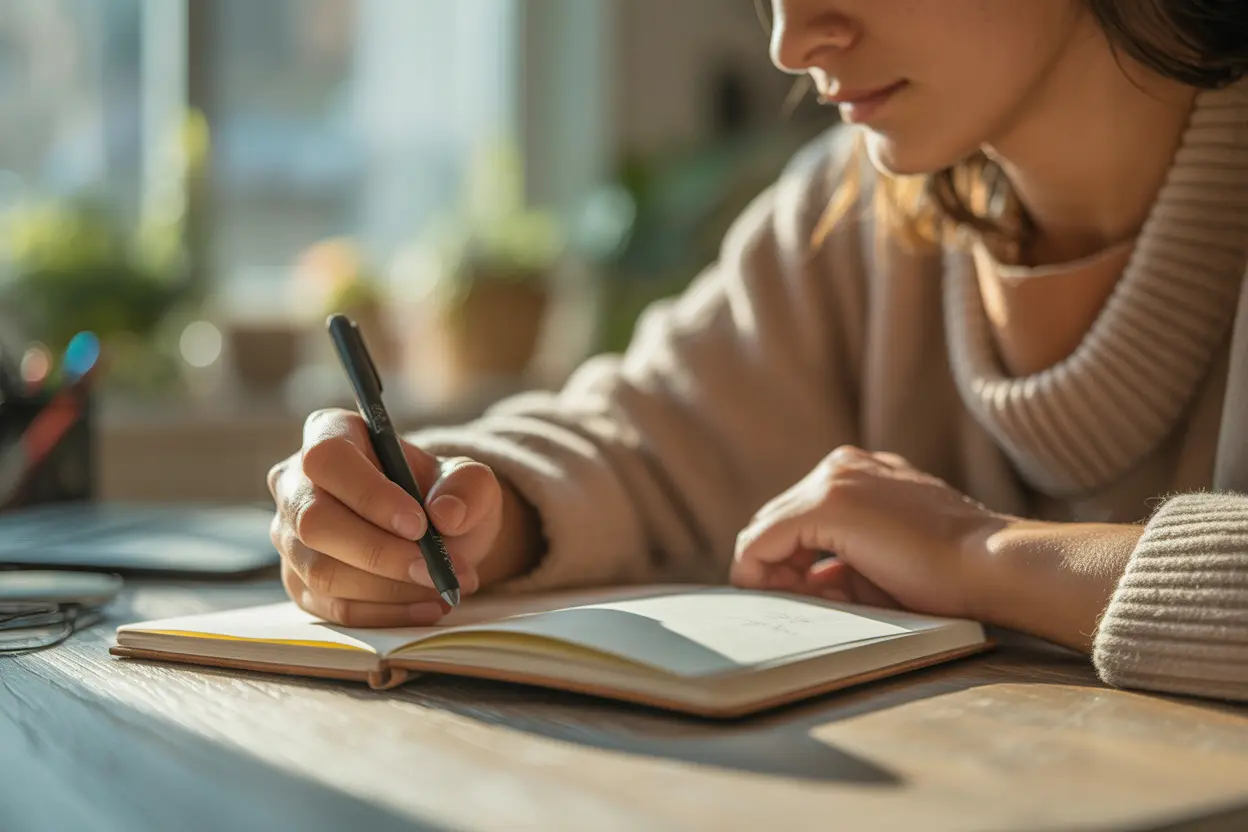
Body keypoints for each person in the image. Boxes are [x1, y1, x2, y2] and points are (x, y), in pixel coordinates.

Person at [267, 1, 1248, 703]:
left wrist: (977, 554)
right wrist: (461, 506)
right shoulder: (854, 217)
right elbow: (648, 438)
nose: (790, 39)